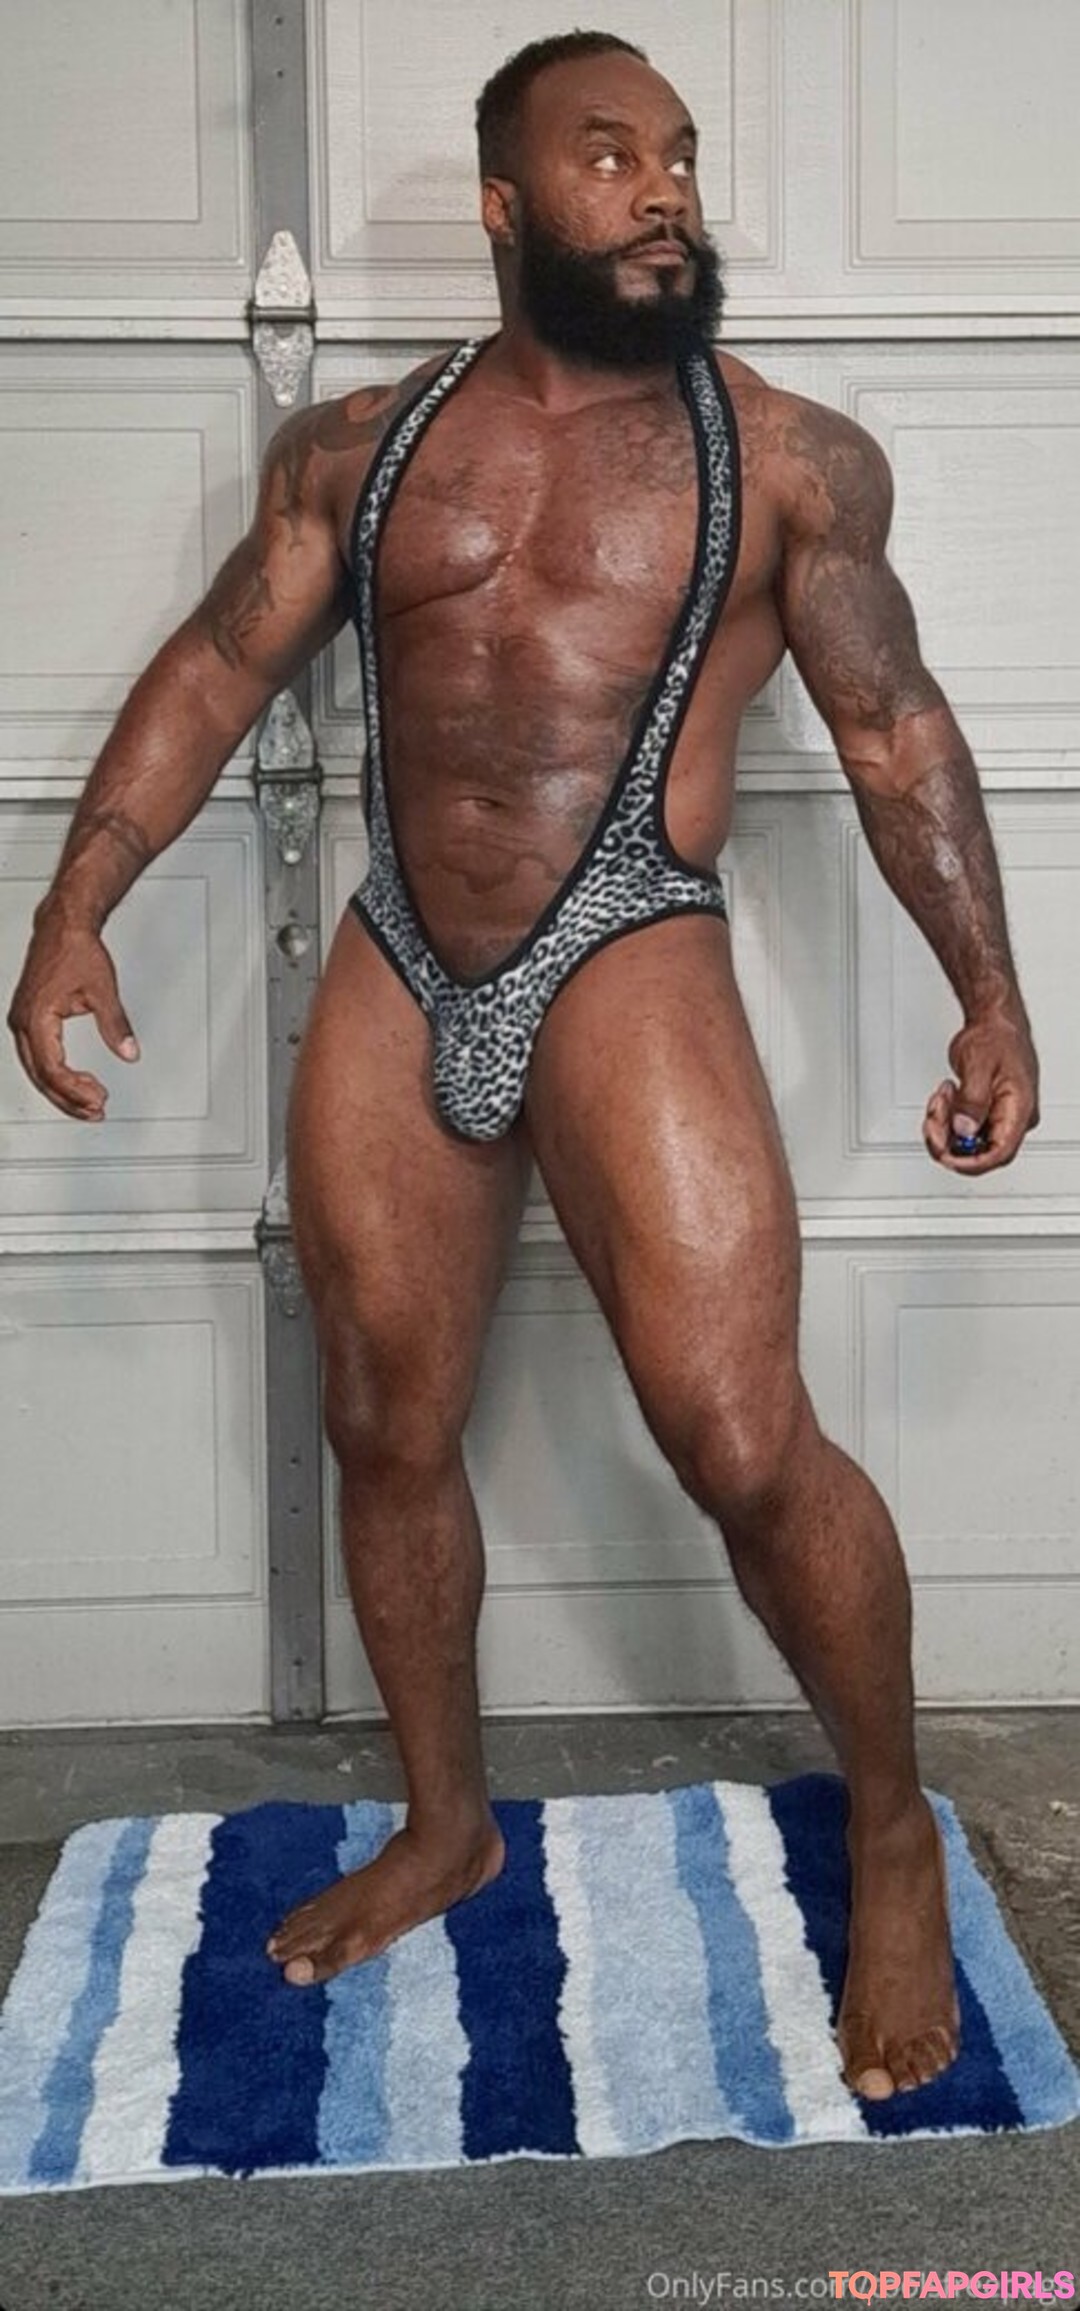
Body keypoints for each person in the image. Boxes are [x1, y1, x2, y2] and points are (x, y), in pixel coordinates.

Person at [7, 31, 1040, 2101]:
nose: (663, 190)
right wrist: (75, 902)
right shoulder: (359, 451)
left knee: (739, 1435)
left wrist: (991, 992)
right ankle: (446, 1819)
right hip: (408, 939)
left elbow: (894, 730)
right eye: (609, 155)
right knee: (381, 1413)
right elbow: (218, 665)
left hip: (624, 928)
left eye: (680, 157)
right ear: (504, 204)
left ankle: (894, 1830)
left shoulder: (792, 463)